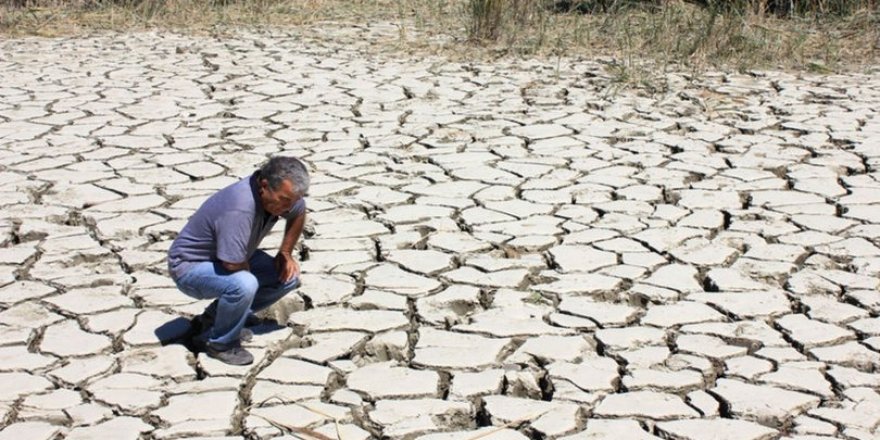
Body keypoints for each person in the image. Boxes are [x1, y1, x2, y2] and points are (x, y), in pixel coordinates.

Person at [167, 156, 309, 365]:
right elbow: (232, 264)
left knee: (287, 276)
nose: (289, 207)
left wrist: (285, 253)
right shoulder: (240, 206)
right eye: (284, 200)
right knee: (245, 284)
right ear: (264, 186)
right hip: (190, 267)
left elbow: (299, 211)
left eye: (294, 200)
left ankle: (215, 319)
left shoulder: (286, 200)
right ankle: (221, 343)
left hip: (231, 257)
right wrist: (243, 297)